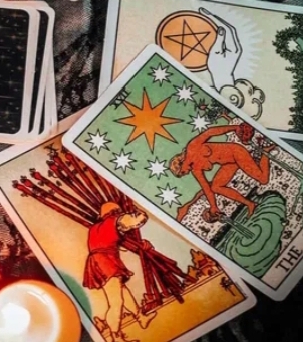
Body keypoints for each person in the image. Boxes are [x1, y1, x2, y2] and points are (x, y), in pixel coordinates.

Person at [84, 202, 156, 342]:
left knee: (123, 293)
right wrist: (140, 211)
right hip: (106, 262)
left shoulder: (96, 228)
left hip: (100, 261)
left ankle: (141, 317)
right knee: (116, 302)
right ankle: (116, 337)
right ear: (115, 212)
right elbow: (137, 221)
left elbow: (110, 241)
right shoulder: (114, 220)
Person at [170, 124, 273, 221]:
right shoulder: (195, 169)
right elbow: (207, 189)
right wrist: (214, 206)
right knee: (215, 187)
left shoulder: (192, 147)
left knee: (263, 179)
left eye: (183, 172)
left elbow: (210, 132)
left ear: (180, 163)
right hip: (229, 163)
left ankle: (265, 151)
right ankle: (250, 204)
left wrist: (234, 127)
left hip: (236, 152)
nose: (186, 173)